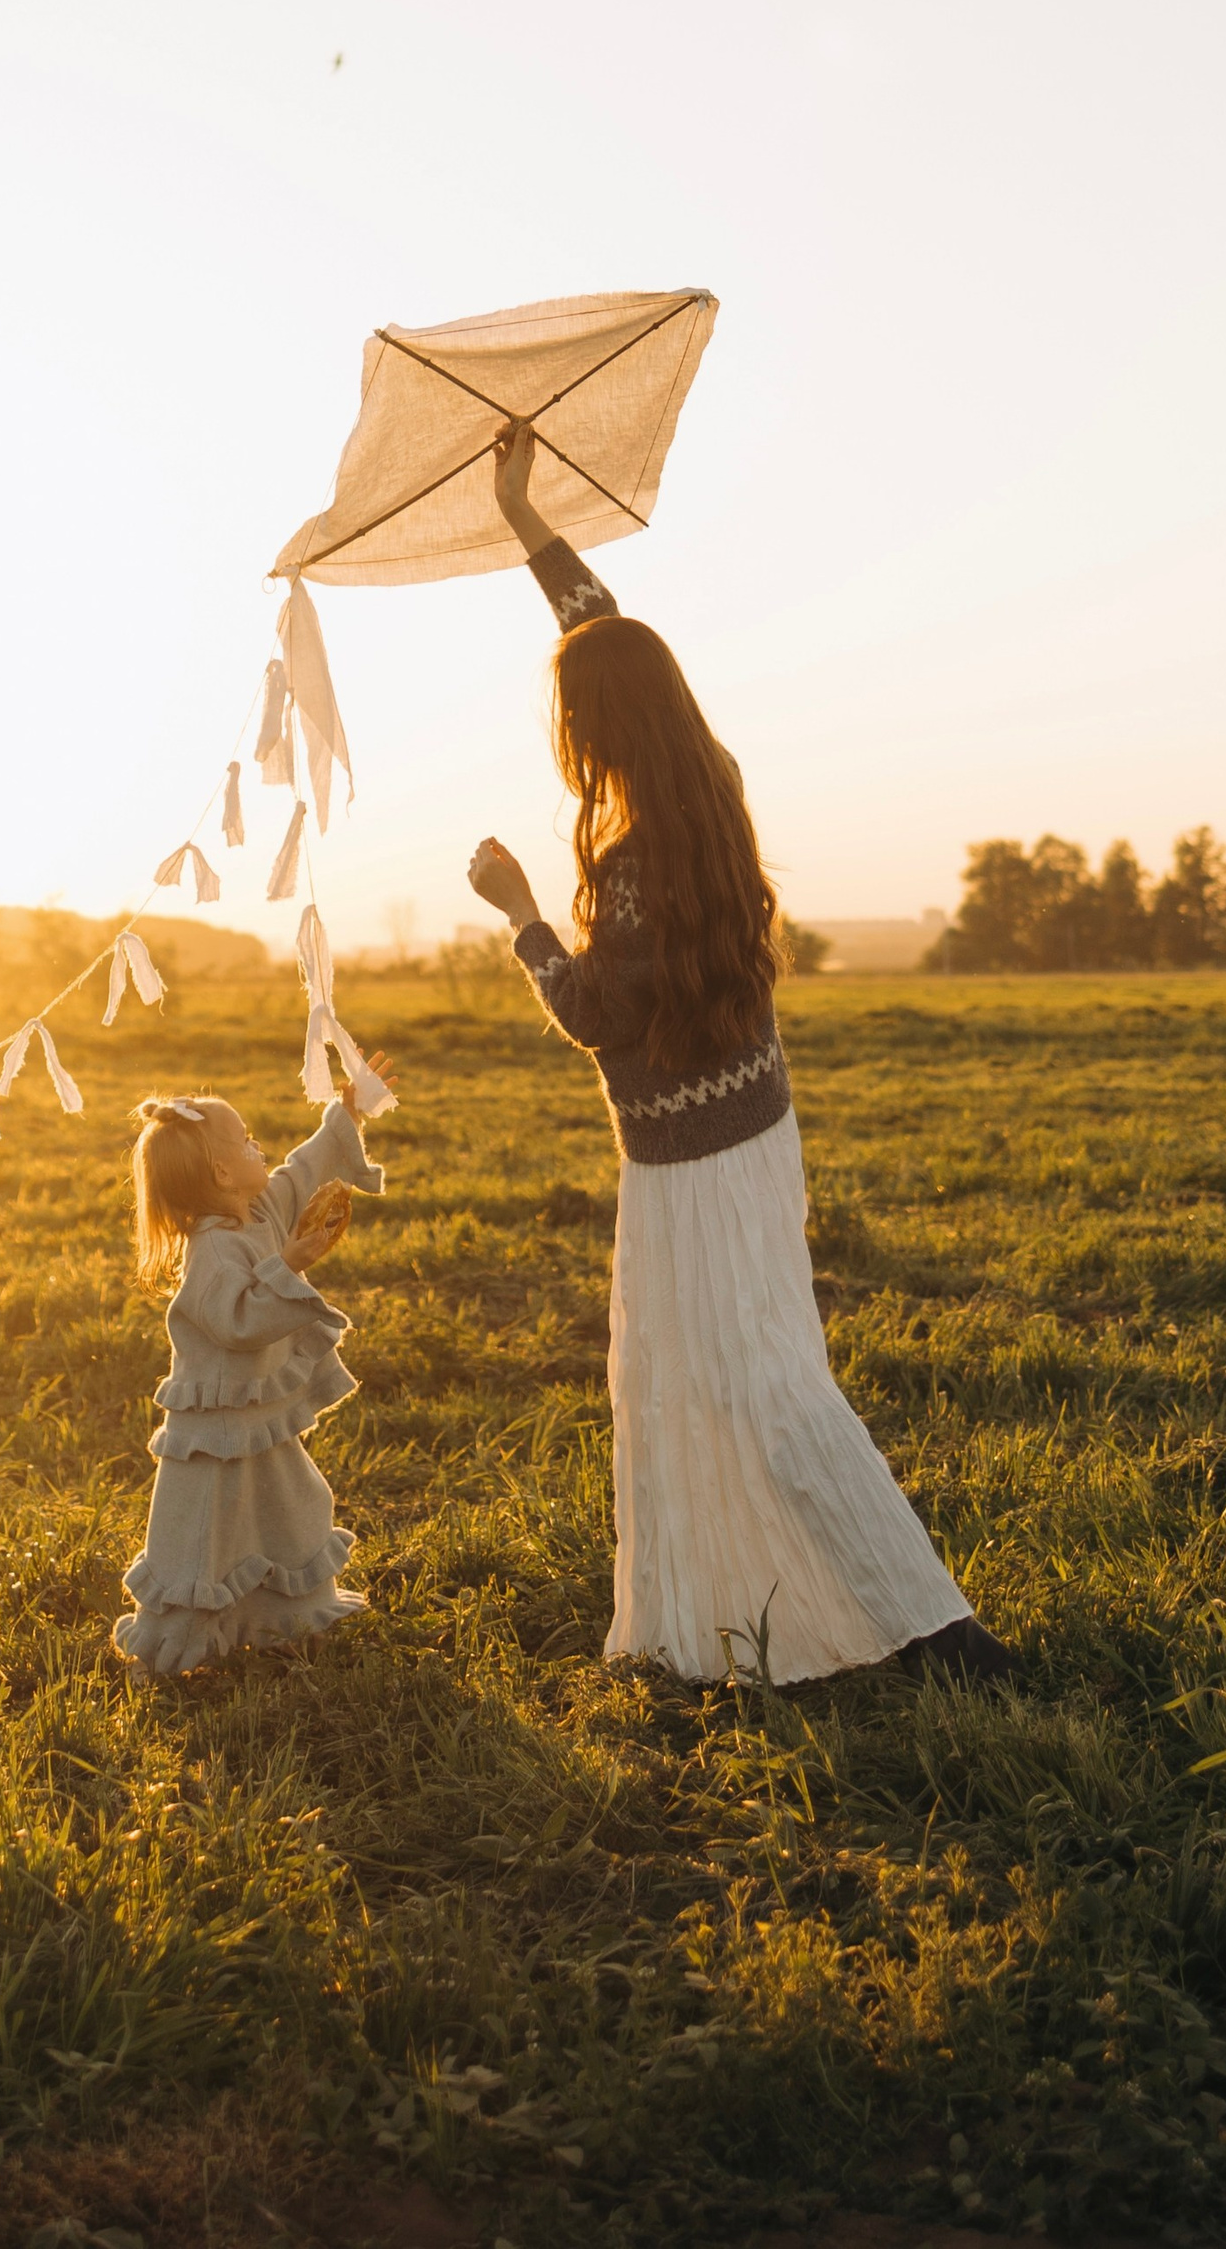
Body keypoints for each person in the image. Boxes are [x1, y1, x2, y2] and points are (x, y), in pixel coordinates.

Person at [466, 421, 1011, 1690]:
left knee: (757, 1394)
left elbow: (598, 1013)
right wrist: (522, 516)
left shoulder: (634, 858)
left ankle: (934, 1634)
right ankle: (754, 1611)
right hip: (751, 1137)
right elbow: (604, 630)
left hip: (693, 1170)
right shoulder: (706, 776)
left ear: (597, 724)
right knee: (745, 1377)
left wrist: (524, 917)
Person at [112, 1075, 392, 1676]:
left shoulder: (260, 1209)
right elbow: (237, 1322)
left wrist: (347, 1116)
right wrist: (290, 1262)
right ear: (219, 1174)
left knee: (291, 1506)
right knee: (204, 1532)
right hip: (216, 1428)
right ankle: (180, 1642)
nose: (257, 1148)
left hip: (258, 1421)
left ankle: (285, 1618)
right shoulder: (212, 1251)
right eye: (245, 1142)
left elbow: (302, 1171)